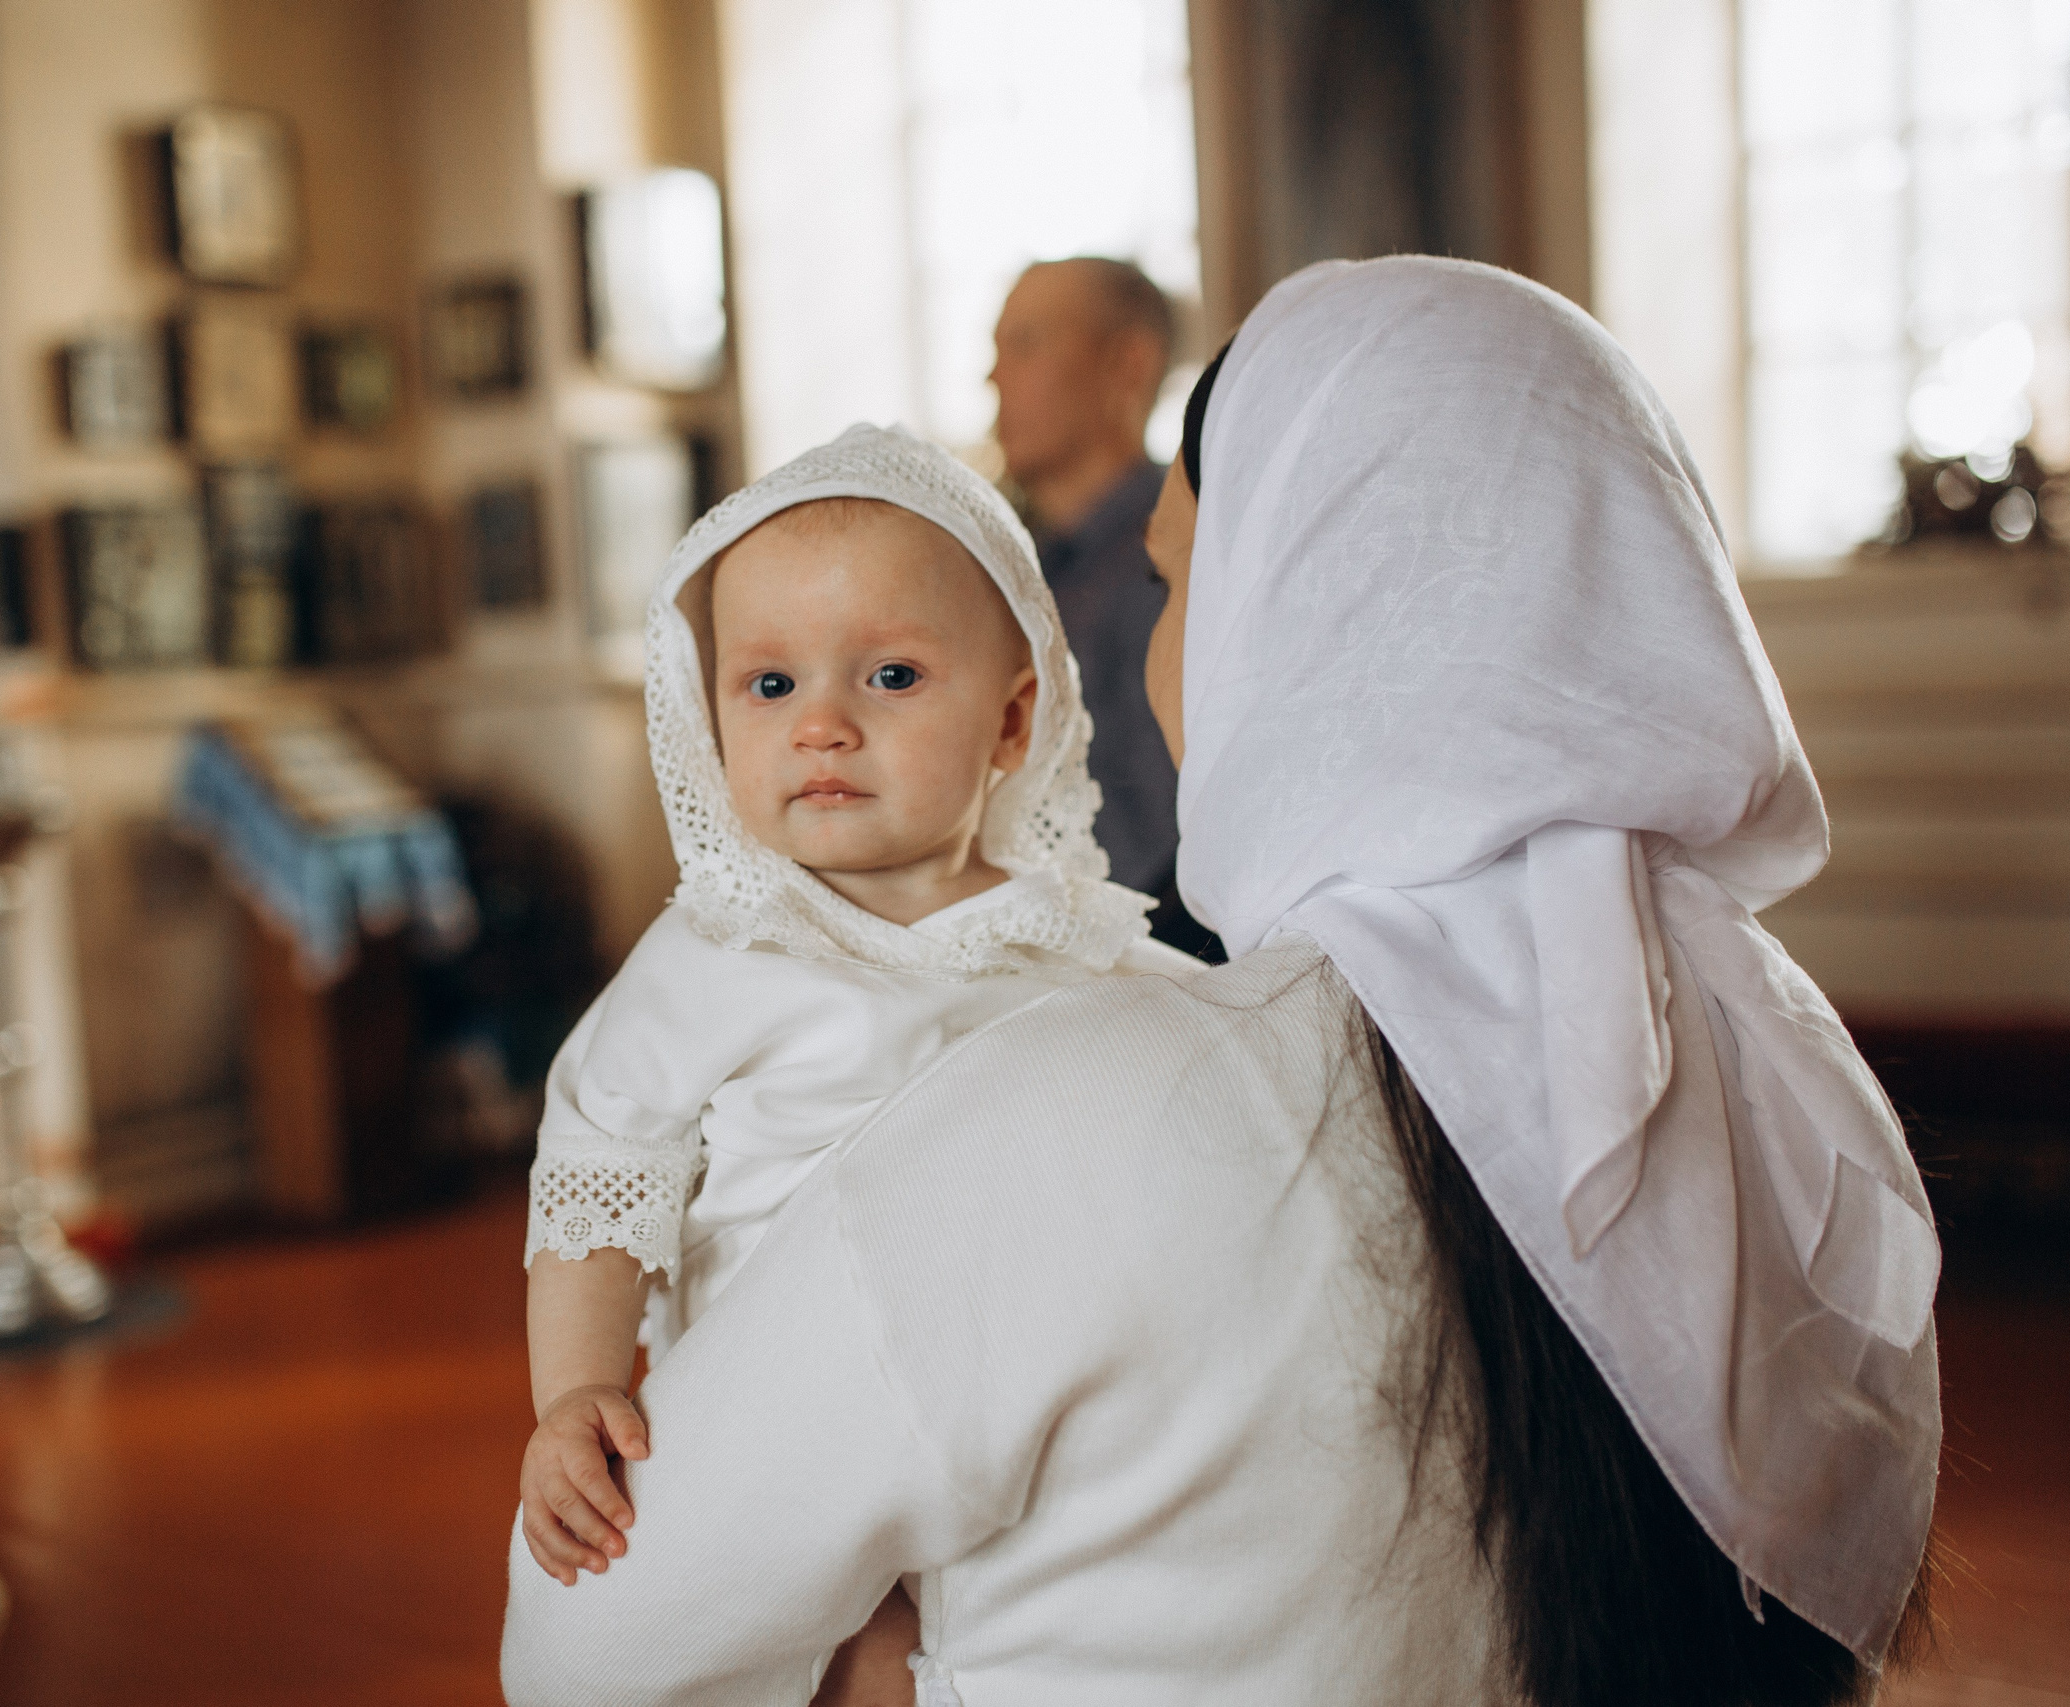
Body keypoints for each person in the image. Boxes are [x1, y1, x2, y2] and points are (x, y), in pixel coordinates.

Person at [501, 258, 1941, 1706]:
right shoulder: (1795, 1091)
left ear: (1302, 593)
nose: (1161, 652)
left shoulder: (1085, 1095)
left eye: (1182, 581)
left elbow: (579, 1643)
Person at [515, 427, 1200, 1639]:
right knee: (843, 1644)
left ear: (1010, 721)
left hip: (1026, 1396)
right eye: (769, 686)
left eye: (888, 677)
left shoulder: (1075, 939)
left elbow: (1185, 1070)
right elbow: (595, 1178)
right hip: (790, 1405)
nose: (821, 724)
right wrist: (574, 1391)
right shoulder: (717, 952)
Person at [991, 259, 1214, 957]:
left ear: (1129, 364)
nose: (993, 377)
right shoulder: (1029, 562)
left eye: (1025, 343)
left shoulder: (1170, 559)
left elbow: (1167, 845)